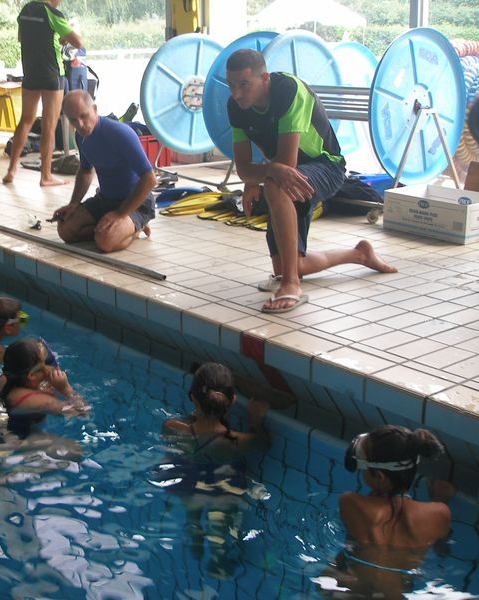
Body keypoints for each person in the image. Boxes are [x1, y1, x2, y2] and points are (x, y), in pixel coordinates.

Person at [225, 49, 397, 314]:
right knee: (288, 265)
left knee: (275, 185)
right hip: (288, 173)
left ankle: (292, 285)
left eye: (244, 85)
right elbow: (244, 168)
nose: (236, 94)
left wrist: (258, 175)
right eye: (231, 85)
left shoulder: (288, 91)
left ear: (264, 78)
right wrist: (252, 180)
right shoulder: (235, 107)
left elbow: (284, 166)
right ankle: (359, 254)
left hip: (327, 166)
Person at [159, 361, 271, 577]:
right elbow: (264, 443)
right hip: (221, 489)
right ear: (233, 400)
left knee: (193, 510)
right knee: (224, 515)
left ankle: (195, 536)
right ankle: (218, 558)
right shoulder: (235, 442)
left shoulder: (171, 428)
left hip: (187, 485)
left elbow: (192, 433)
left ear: (192, 398)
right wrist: (255, 420)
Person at [328, 425, 453, 597]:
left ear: (380, 476)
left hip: (356, 591)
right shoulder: (440, 513)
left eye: (364, 469)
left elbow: (351, 547)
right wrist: (440, 498)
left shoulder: (350, 503)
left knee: (327, 575)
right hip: (397, 595)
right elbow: (442, 550)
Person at [52, 90, 157, 253]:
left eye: (84, 116)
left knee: (105, 242)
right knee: (66, 230)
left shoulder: (120, 133)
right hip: (105, 200)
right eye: (73, 120)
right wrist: (73, 204)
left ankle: (136, 228)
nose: (80, 124)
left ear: (94, 109)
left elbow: (150, 179)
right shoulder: (81, 136)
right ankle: (115, 228)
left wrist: (120, 214)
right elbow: (86, 171)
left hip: (136, 202)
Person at [2, 0, 83, 186]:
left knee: (25, 120)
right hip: (52, 73)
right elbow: (78, 42)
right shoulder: (53, 14)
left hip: (30, 72)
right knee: (49, 125)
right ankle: (46, 176)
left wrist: (57, 37)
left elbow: (22, 38)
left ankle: (11, 170)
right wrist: (64, 37)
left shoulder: (25, 10)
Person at [0, 338, 88, 439]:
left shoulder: (6, 378)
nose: (50, 367)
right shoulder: (40, 401)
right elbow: (82, 412)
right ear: (32, 375)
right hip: (17, 437)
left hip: (3, 425)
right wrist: (65, 388)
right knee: (73, 447)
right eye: (46, 362)